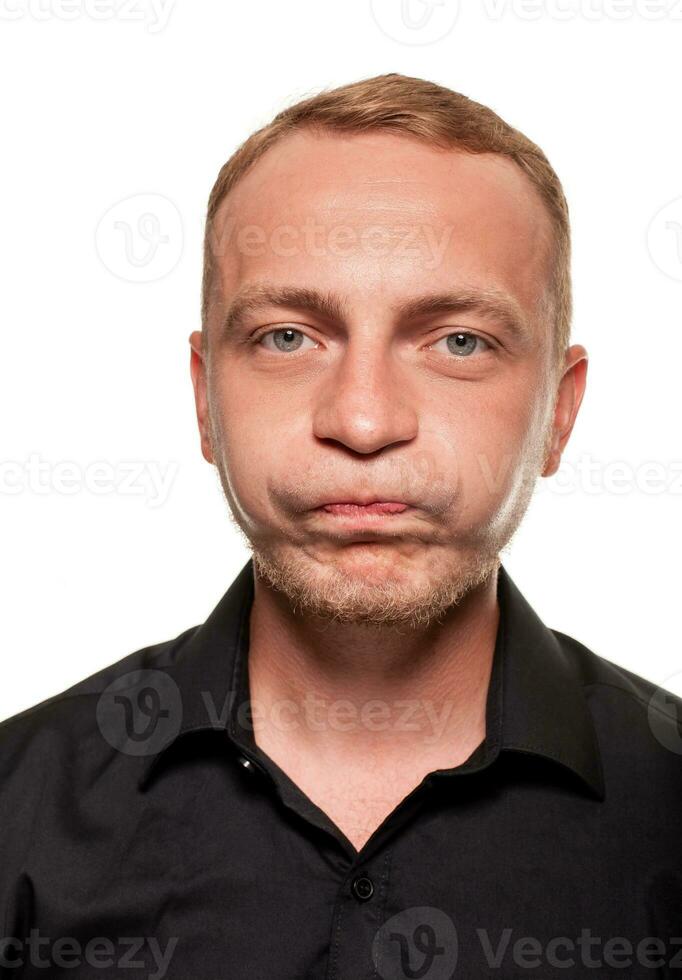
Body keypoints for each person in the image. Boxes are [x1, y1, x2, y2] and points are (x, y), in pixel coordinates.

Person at [1, 72, 680, 979]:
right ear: (204, 399)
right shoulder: (16, 811)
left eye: (458, 342)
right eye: (289, 337)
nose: (363, 422)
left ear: (559, 412)